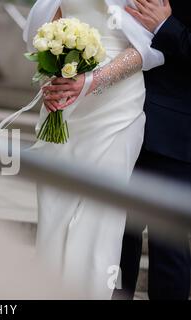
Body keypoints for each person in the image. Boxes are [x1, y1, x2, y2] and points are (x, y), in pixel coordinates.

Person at [23, 0, 164, 298]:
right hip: (65, 98)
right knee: (54, 208)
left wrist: (90, 82)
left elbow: (147, 45)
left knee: (100, 216)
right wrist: (53, 80)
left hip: (117, 105)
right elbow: (48, 29)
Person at [114, 0, 191, 300]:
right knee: (117, 237)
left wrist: (165, 27)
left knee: (167, 244)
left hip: (173, 135)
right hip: (118, 119)